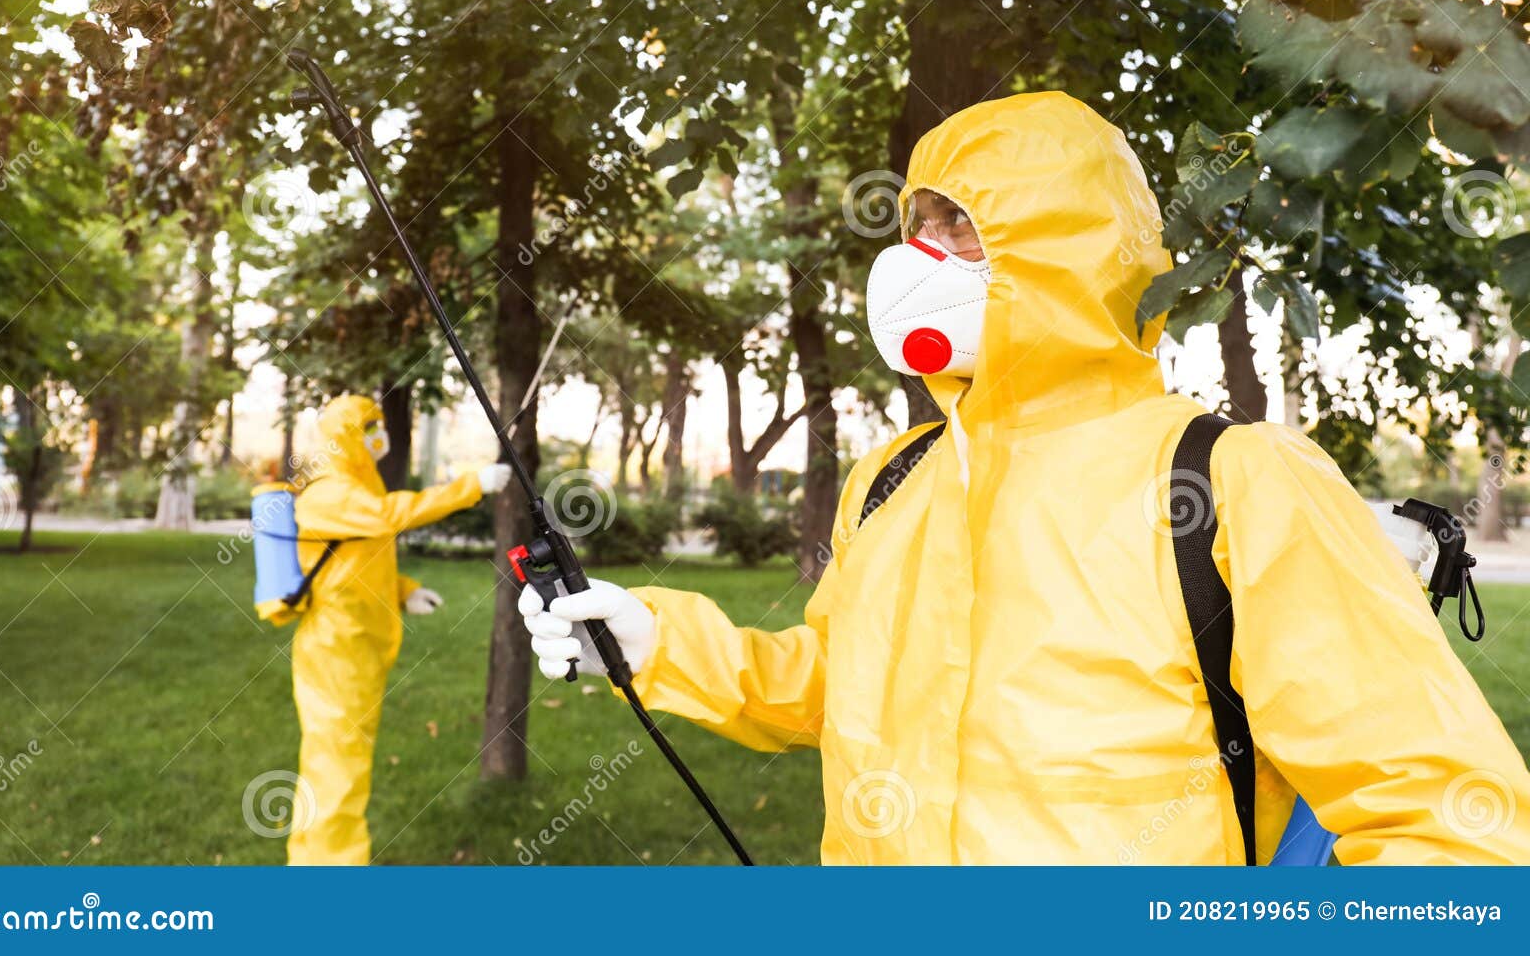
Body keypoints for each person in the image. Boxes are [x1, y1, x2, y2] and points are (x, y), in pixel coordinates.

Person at [519, 92, 1530, 864]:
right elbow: (837, 686)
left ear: (1068, 249)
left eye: (963, 222)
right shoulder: (894, 476)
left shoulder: (1231, 478)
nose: (926, 253)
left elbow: (1441, 814)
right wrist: (656, 639)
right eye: (918, 223)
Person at [288, 393, 508, 865]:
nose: (380, 436)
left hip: (356, 649)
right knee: (338, 767)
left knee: (339, 762)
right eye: (370, 427)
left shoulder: (353, 490)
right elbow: (391, 516)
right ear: (348, 436)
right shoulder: (329, 493)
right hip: (336, 652)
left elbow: (355, 565)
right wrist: (472, 485)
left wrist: (404, 591)